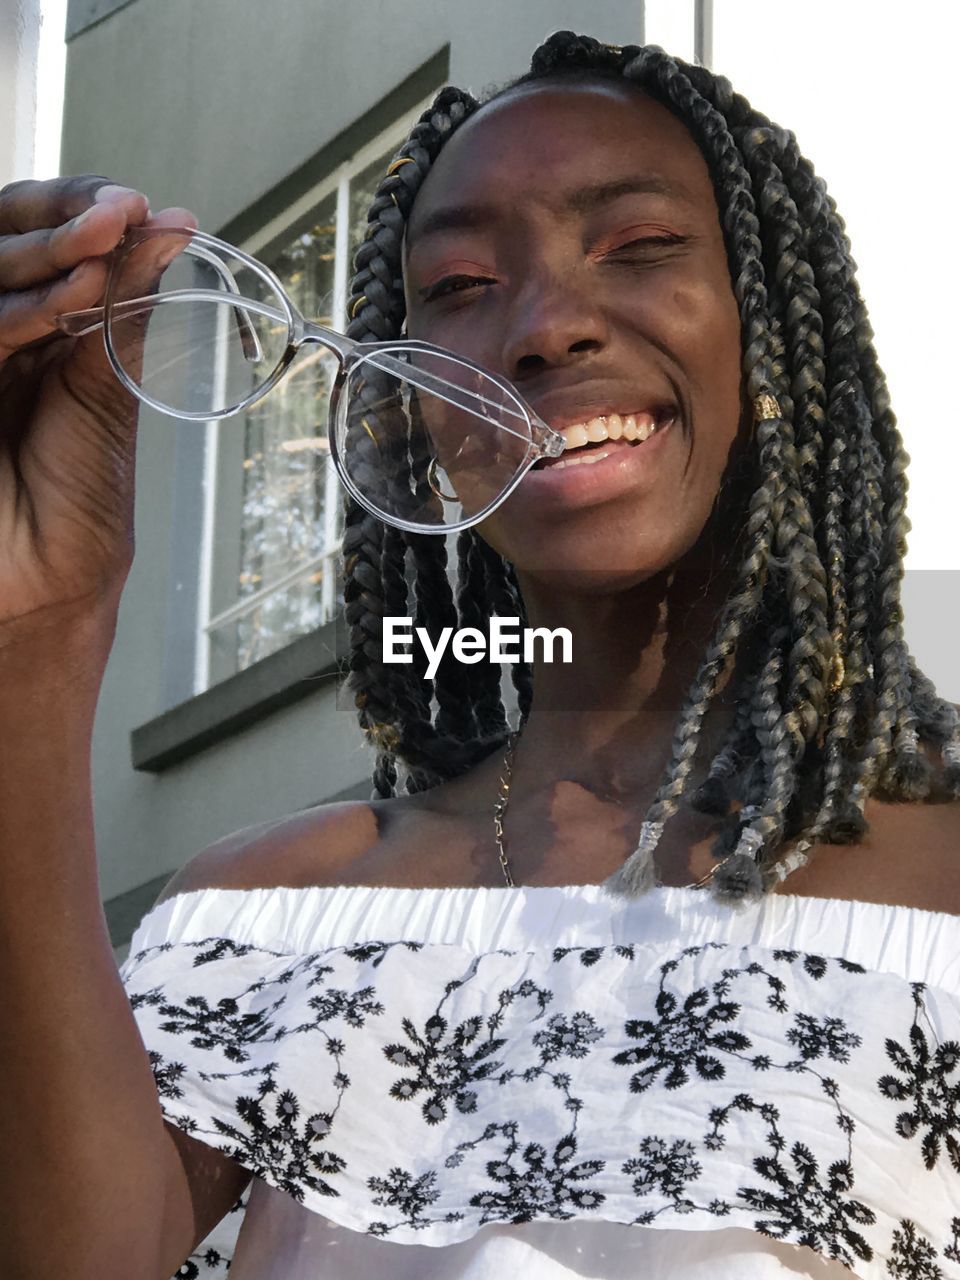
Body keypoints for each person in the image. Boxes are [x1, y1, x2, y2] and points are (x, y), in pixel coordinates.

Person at [2, 28, 959, 1280]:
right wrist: (35, 642)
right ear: (404, 410)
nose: (546, 327)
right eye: (456, 284)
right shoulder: (256, 922)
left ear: (775, 329)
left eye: (640, 246)